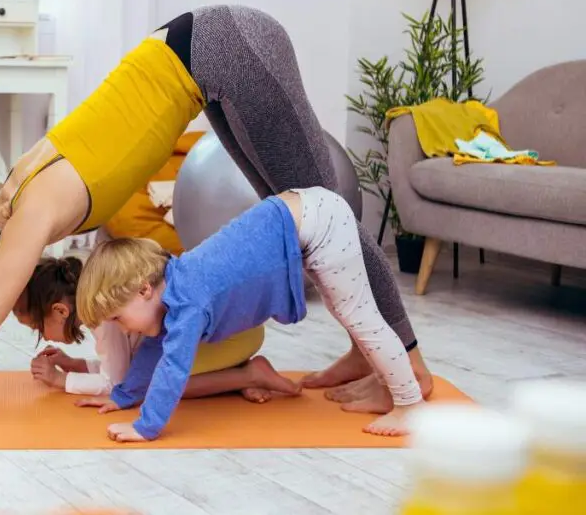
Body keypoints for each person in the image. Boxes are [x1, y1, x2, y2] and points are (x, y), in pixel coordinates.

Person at [0, 5, 433, 433]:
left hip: (228, 45)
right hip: (201, 61)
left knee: (328, 208)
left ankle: (410, 366)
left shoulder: (26, 218)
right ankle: (366, 351)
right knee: (302, 200)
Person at [75, 187, 425, 442]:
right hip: (305, 217)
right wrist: (122, 395)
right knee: (347, 312)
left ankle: (410, 403)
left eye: (119, 318)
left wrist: (144, 426)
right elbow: (156, 349)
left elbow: (173, 366)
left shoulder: (188, 300)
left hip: (319, 222)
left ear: (143, 289)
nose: (123, 328)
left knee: (360, 317)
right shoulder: (174, 288)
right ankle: (389, 388)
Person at [15, 255, 299, 403]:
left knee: (152, 386)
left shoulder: (103, 317)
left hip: (233, 334)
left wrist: (59, 381)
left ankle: (248, 375)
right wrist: (73, 364)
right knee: (149, 372)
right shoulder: (100, 303)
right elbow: (120, 365)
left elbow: (118, 383)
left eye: (37, 328)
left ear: (60, 311)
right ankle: (237, 375)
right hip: (230, 334)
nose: (42, 336)